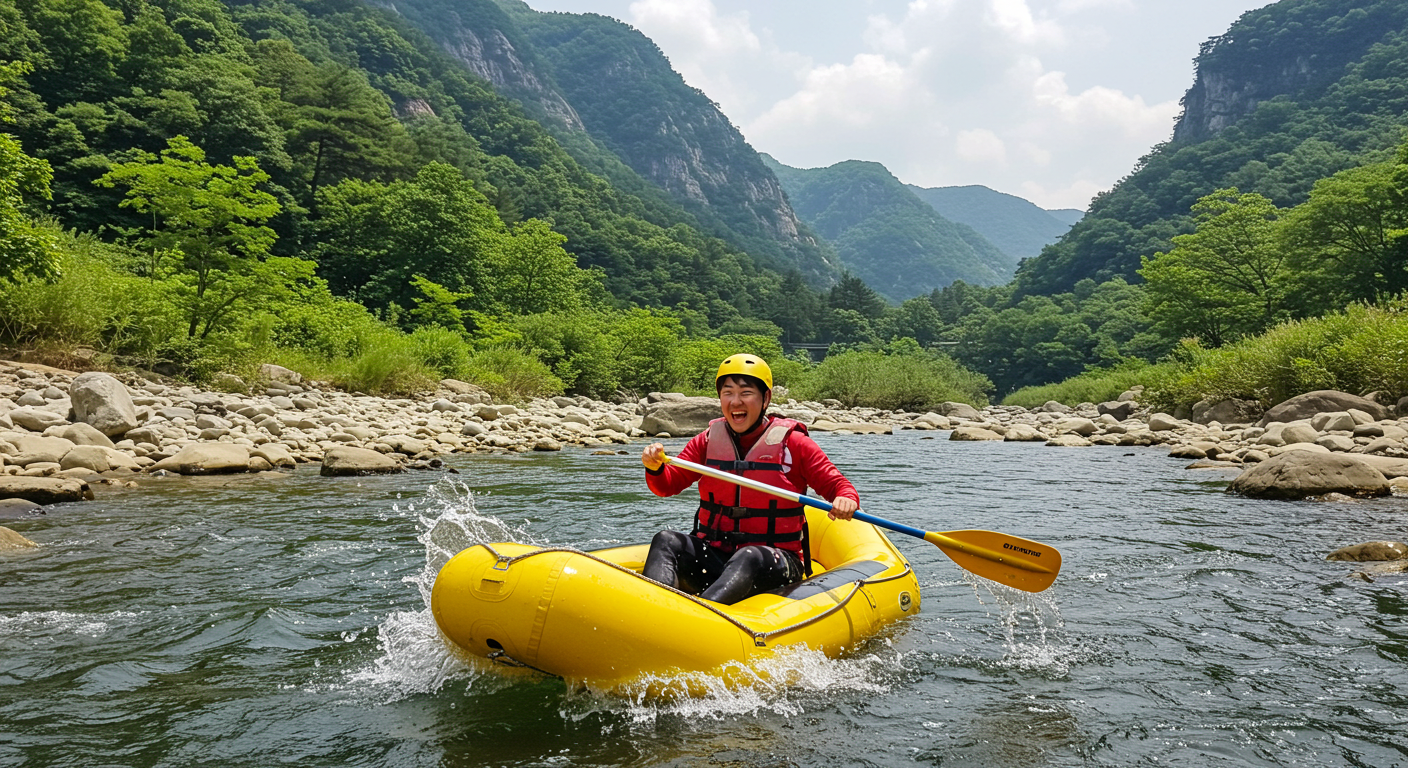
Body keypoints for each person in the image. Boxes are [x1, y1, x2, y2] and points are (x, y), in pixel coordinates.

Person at [639, 353, 860, 605]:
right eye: (728, 393)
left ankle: (703, 616)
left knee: (749, 555)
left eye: (746, 393)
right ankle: (655, 610)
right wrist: (654, 468)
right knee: (665, 540)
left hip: (775, 561)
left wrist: (846, 499)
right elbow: (668, 484)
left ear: (766, 398)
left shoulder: (794, 444)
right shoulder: (707, 440)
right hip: (717, 555)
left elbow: (838, 485)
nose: (735, 402)